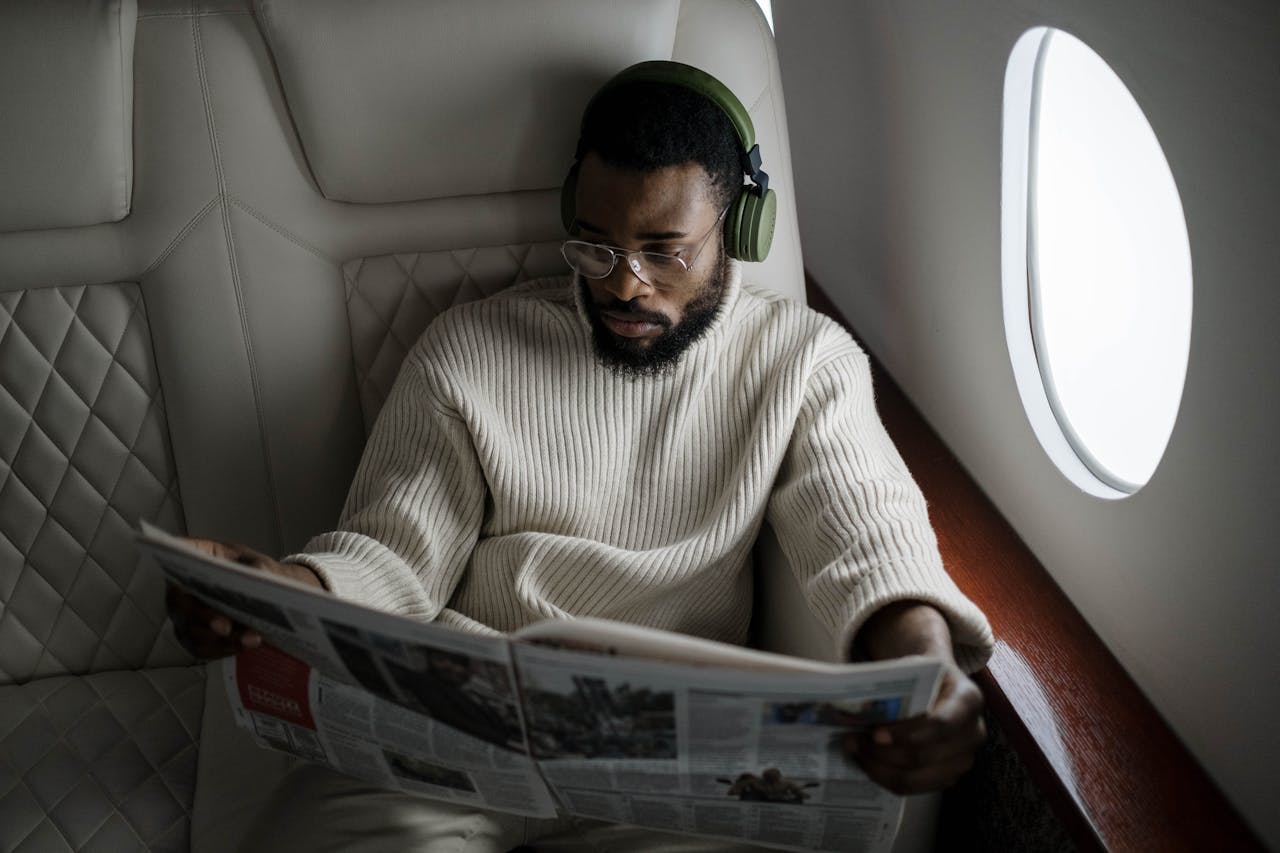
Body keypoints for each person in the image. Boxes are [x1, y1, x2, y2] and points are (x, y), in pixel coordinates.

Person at [167, 61, 994, 852]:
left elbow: (868, 536)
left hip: (673, 764)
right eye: (595, 244)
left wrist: (926, 670)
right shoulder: (468, 349)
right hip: (457, 730)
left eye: (665, 250)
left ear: (739, 225)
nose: (623, 284)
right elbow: (394, 550)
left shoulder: (806, 362)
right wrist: (284, 593)